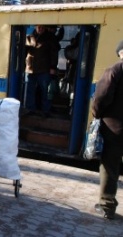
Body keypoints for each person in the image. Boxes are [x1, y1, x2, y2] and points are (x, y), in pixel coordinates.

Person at [92, 40, 123, 220]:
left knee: (110, 167)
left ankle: (106, 206)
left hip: (115, 128)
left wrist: (97, 115)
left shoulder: (115, 70)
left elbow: (101, 97)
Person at [24, 25, 58, 117]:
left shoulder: (50, 37)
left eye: (42, 27)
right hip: (31, 69)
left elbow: (54, 53)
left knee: (45, 91)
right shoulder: (30, 37)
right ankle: (31, 109)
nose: (40, 28)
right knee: (30, 90)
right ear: (35, 27)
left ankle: (45, 111)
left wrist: (53, 67)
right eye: (38, 26)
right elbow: (25, 51)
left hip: (44, 69)